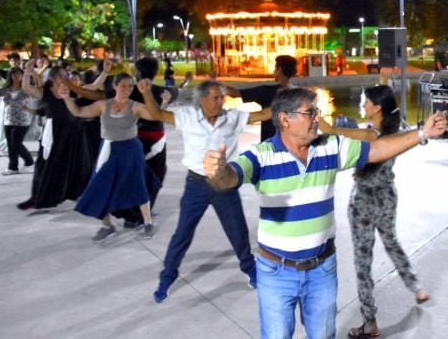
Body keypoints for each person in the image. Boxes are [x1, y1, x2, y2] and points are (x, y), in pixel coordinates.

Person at [203, 88, 447, 339]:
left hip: (321, 270)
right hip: (276, 272)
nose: (318, 118)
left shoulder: (330, 147)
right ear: (285, 119)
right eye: (310, 113)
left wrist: (422, 133)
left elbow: (376, 150)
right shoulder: (261, 155)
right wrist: (218, 171)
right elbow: (230, 178)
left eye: (316, 111)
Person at [143, 80, 270, 303]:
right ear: (202, 99)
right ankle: (167, 278)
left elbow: (262, 115)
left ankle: (251, 272)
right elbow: (157, 115)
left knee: (238, 232)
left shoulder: (232, 117)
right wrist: (145, 93)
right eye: (216, 97)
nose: (221, 101)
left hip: (224, 184)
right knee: (182, 233)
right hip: (196, 184)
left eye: (222, 97)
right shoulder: (187, 117)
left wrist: (289, 101)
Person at [318, 85, 430, 338]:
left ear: (376, 107)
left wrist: (322, 122)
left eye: (365, 101)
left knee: (363, 263)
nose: (362, 104)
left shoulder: (371, 134)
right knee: (392, 242)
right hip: (388, 196)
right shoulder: (393, 130)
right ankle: (416, 286)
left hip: (365, 201)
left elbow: (345, 134)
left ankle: (370, 323)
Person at [59, 74, 159, 241]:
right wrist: (67, 98)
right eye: (123, 86)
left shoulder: (136, 106)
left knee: (139, 184)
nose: (127, 89)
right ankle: (108, 225)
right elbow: (78, 112)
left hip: (131, 149)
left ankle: (148, 223)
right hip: (109, 148)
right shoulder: (103, 105)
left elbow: (155, 115)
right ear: (114, 86)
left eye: (130, 86)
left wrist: (147, 94)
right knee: (101, 185)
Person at [19, 60, 91, 211]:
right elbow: (26, 88)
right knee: (44, 164)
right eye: (63, 76)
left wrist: (103, 72)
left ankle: (75, 193)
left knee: (75, 163)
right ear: (53, 78)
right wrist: (27, 71)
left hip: (74, 131)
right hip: (54, 132)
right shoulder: (45, 92)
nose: (66, 78)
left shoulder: (71, 90)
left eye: (67, 75)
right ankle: (38, 197)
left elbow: (92, 88)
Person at [225, 54, 297, 141]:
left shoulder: (267, 91)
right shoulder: (298, 94)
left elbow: (234, 93)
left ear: (279, 70)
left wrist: (213, 85)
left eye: (275, 68)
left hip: (270, 144)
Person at [0, 68, 34, 175]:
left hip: (22, 121)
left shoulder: (26, 88)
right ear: (10, 76)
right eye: (14, 74)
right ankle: (14, 167)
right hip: (8, 120)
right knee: (11, 145)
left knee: (16, 144)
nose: (16, 76)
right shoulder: (6, 89)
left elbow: (38, 90)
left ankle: (28, 162)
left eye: (19, 74)